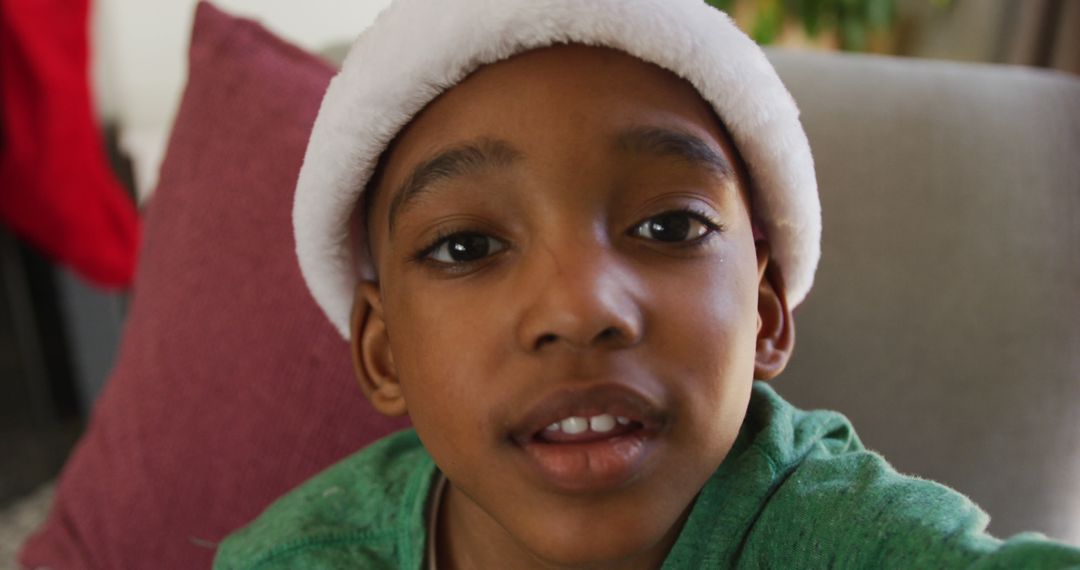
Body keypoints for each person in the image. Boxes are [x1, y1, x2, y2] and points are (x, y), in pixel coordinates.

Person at [214, 0, 1080, 568]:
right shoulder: (303, 555)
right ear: (382, 350)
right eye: (468, 244)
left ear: (768, 314)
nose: (580, 306)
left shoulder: (850, 540)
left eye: (669, 227)